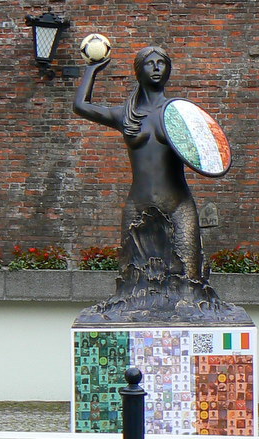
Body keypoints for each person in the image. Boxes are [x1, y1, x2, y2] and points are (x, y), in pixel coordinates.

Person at [73, 45, 204, 282]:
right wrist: (92, 69)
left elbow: (206, 150)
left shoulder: (179, 113)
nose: (156, 68)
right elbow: (81, 106)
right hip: (138, 206)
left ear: (168, 70)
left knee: (189, 279)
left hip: (178, 206)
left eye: (161, 63)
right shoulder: (126, 115)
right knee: (131, 280)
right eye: (149, 63)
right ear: (138, 71)